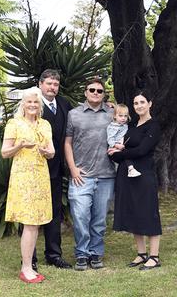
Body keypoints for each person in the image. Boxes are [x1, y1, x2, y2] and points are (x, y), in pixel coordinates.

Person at [1, 87, 55, 284]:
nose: (32, 105)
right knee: (30, 223)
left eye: (36, 102)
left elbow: (52, 152)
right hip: (22, 179)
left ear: (40, 105)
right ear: (23, 104)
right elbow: (5, 152)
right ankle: (26, 268)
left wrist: (45, 151)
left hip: (40, 176)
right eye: (29, 102)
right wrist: (20, 146)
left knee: (35, 223)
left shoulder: (45, 125)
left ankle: (28, 265)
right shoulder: (14, 124)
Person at [64, 76, 116, 271]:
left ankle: (96, 253)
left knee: (100, 219)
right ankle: (81, 253)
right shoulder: (73, 114)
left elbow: (125, 119)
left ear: (104, 95)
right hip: (81, 176)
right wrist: (73, 168)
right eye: (92, 90)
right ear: (85, 93)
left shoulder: (111, 113)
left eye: (99, 91)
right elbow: (67, 143)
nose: (95, 93)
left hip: (105, 176)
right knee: (80, 216)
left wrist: (115, 106)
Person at [109, 92, 162, 271]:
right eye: (135, 103)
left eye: (142, 102)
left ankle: (154, 256)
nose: (139, 105)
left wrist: (120, 154)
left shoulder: (153, 126)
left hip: (144, 175)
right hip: (126, 175)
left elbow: (142, 150)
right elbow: (120, 151)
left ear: (150, 103)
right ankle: (141, 253)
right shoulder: (130, 125)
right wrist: (116, 155)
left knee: (148, 212)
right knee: (133, 213)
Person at [38, 69, 73, 270]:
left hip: (57, 170)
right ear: (41, 83)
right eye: (49, 83)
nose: (52, 88)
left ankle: (53, 255)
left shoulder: (64, 104)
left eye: (56, 84)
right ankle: (30, 257)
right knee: (32, 214)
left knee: (54, 212)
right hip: (35, 169)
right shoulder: (32, 103)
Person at [107, 103, 141, 178]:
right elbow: (110, 139)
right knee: (126, 155)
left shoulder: (125, 125)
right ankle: (131, 169)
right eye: (120, 116)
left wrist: (114, 105)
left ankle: (130, 170)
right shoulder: (112, 127)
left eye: (125, 116)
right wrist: (116, 145)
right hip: (114, 148)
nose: (123, 118)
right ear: (115, 116)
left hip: (123, 146)